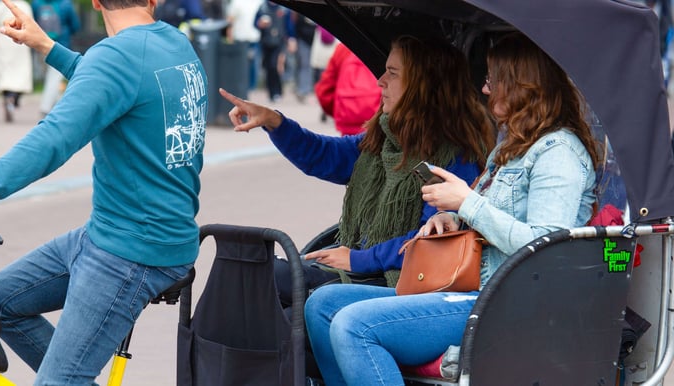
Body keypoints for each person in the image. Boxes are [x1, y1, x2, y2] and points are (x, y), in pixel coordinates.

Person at [0, 0, 207, 384]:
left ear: (95, 2)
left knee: (59, 381)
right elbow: (110, 82)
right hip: (122, 234)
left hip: (132, 252)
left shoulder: (116, 58)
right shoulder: (174, 43)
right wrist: (46, 45)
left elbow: (52, 140)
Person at [303, 32, 602, 386]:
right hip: (469, 288)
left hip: (504, 301)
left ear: (522, 86)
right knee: (322, 305)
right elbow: (489, 215)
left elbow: (546, 246)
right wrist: (452, 217)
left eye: (493, 80)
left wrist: (468, 203)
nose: (485, 89)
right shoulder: (512, 147)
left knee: (354, 325)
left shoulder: (558, 153)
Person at [219, 35, 495, 309]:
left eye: (392, 73)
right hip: (360, 264)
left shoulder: (456, 158)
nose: (380, 81)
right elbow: (323, 155)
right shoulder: (384, 138)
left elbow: (433, 242)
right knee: (252, 275)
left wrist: (357, 259)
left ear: (423, 85)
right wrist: (274, 121)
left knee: (271, 279)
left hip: (396, 281)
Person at [0, 0, 33, 123]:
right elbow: (32, 27)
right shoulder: (24, 6)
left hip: (1, 41)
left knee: (4, 76)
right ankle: (14, 98)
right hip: (20, 42)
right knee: (20, 75)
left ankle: (8, 97)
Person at [314, 43, 381, 136]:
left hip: (348, 125)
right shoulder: (385, 47)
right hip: (379, 123)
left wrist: (340, 110)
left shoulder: (344, 48)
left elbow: (324, 91)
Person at [32, 0, 80, 116]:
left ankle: (56, 104)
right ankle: (45, 107)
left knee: (50, 77)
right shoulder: (66, 4)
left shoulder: (36, 3)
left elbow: (33, 22)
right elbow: (75, 26)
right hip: (61, 45)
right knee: (54, 78)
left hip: (40, 44)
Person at [255, 1, 292, 102]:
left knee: (275, 66)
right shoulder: (262, 7)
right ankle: (271, 93)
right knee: (268, 68)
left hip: (280, 42)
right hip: (266, 42)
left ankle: (277, 91)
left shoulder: (284, 8)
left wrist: (291, 38)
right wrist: (259, 24)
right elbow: (255, 23)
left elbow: (289, 25)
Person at [225, 0, 262, 92]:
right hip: (239, 40)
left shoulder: (259, 2)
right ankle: (240, 90)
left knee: (253, 67)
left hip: (254, 40)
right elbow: (230, 20)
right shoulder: (236, 2)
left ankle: (251, 90)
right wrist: (229, 38)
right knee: (239, 68)